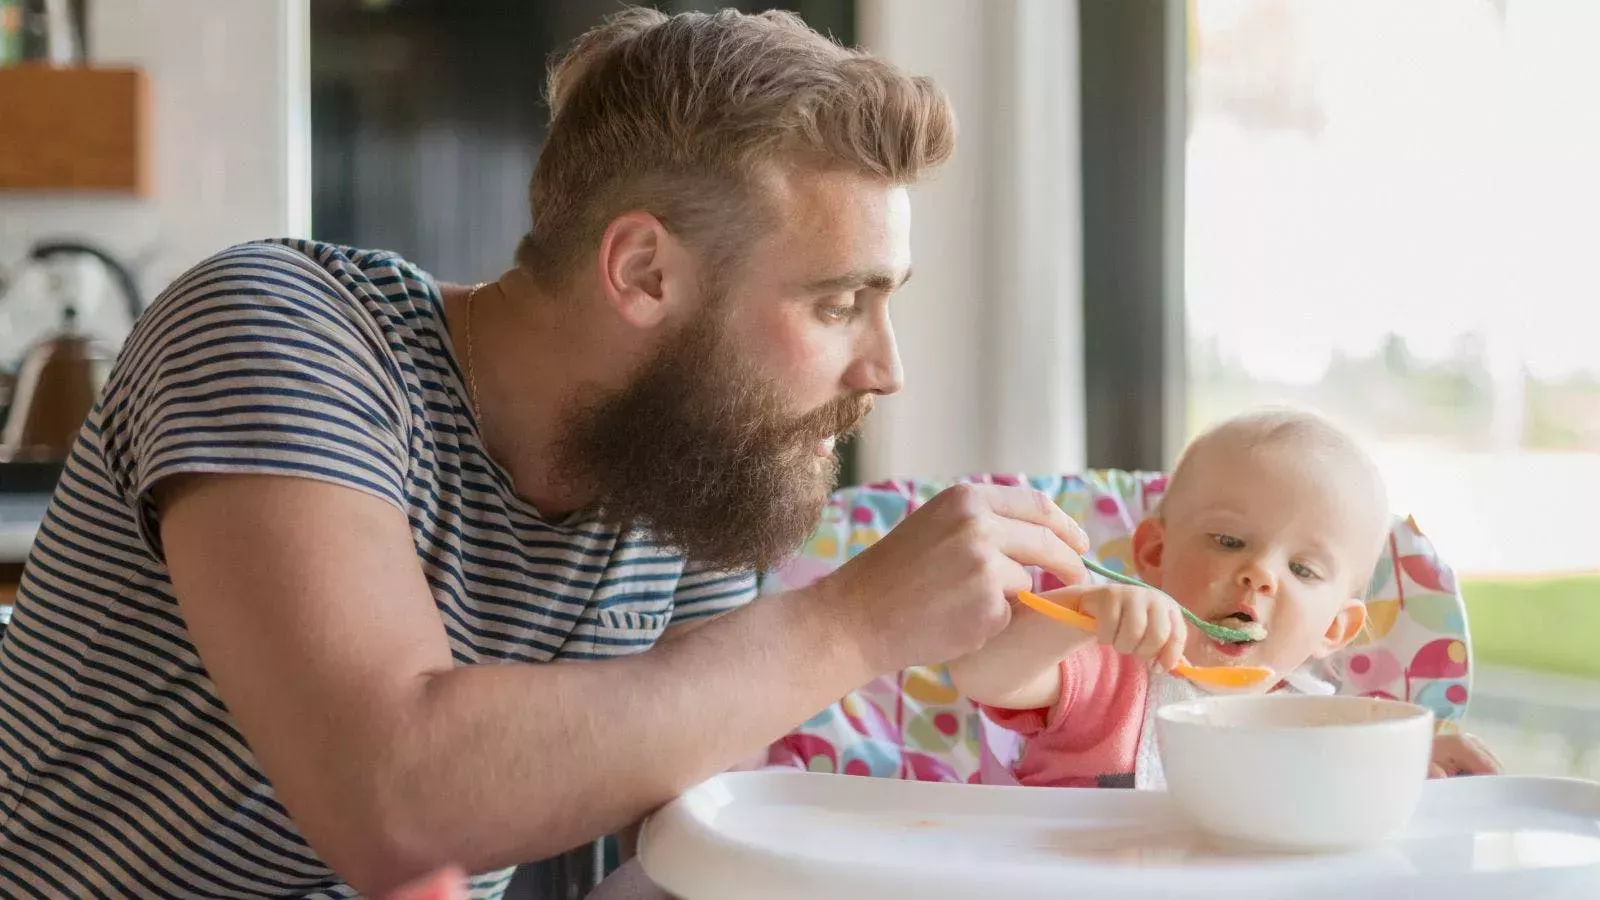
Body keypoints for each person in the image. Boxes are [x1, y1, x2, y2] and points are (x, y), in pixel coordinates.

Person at [0, 8, 1092, 899]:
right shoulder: (279, 330)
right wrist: (855, 621)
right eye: (840, 302)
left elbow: (681, 851)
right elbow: (396, 805)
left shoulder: (685, 466)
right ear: (645, 274)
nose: (883, 369)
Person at [949, 410, 1502, 789]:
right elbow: (982, 673)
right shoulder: (1104, 669)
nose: (1259, 575)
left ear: (1335, 628)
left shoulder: (1325, 729)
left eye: (1303, 569)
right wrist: (1082, 614)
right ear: (1155, 554)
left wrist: (1400, 766)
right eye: (1229, 541)